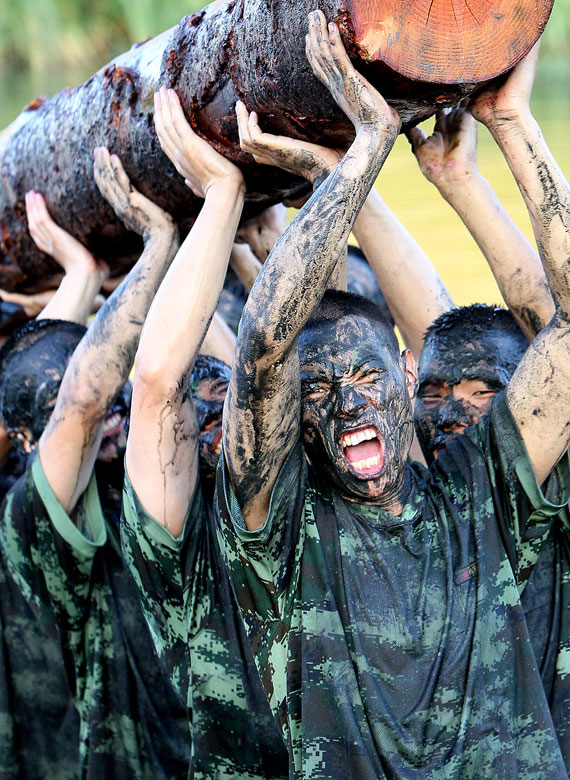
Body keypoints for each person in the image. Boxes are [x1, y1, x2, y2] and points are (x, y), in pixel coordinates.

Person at [214, 11, 570, 778]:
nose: (348, 404)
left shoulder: (482, 496)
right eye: (320, 391)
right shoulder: (283, 533)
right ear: (294, 418)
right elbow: (265, 345)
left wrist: (512, 127)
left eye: (371, 378)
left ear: (405, 377)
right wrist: (364, 149)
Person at [0, 148, 191, 778]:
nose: (110, 401)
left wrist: (82, 277)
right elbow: (68, 398)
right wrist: (157, 244)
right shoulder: (24, 518)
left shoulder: (125, 473)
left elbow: (57, 383)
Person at [120, 86, 289, 779]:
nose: (222, 411)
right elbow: (160, 383)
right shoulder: (182, 558)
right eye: (207, 401)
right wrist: (217, 201)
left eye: (234, 396)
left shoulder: (327, 493)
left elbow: (282, 362)